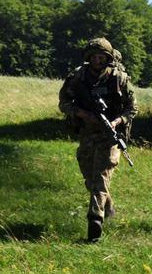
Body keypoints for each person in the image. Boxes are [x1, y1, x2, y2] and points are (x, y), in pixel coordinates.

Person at [58, 37, 137, 243]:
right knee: (90, 176)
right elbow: (64, 102)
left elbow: (132, 107)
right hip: (87, 133)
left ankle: (95, 219)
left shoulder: (119, 78)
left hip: (110, 134)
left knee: (101, 175)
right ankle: (108, 207)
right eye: (94, 57)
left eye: (101, 57)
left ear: (108, 57)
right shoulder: (78, 76)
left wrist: (117, 121)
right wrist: (81, 113)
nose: (97, 61)